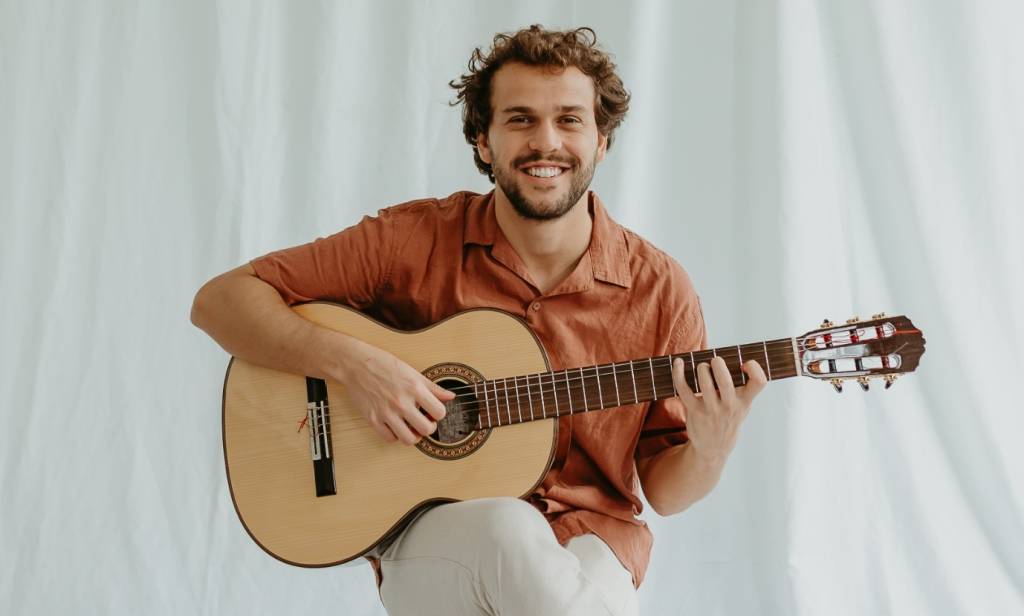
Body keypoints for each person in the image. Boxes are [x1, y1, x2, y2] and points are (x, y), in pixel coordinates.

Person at [191, 25, 766, 616]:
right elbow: (222, 300)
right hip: (435, 535)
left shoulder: (659, 289)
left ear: (602, 141)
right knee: (506, 527)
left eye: (570, 119)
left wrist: (711, 447)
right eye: (520, 119)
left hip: (594, 540)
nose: (547, 143)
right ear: (483, 140)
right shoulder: (410, 240)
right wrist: (359, 366)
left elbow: (667, 493)